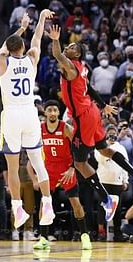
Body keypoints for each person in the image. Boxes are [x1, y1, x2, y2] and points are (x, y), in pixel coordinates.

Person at [46, 24, 133, 224]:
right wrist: (103, 106)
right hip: (91, 112)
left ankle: (106, 199)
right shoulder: (83, 68)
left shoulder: (72, 66)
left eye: (73, 47)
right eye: (70, 45)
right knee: (104, 150)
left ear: (77, 54)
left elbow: (57, 55)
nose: (70, 47)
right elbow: (90, 89)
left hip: (83, 117)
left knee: (79, 162)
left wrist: (55, 39)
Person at [0, 11, 56, 231]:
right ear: (22, 46)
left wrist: (21, 28)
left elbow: (4, 47)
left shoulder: (2, 60)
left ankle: (17, 208)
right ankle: (47, 203)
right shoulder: (32, 58)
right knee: (39, 163)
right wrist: (40, 19)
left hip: (11, 114)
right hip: (30, 114)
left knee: (13, 168)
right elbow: (38, 37)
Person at [34, 100, 92, 250]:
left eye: (55, 110)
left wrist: (73, 168)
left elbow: (80, 148)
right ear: (45, 112)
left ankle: (85, 236)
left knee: (75, 203)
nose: (52, 113)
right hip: (48, 170)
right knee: (44, 203)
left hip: (66, 169)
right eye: (50, 110)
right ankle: (44, 238)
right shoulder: (39, 129)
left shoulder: (66, 128)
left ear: (59, 113)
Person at [95, 125, 129, 243]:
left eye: (114, 133)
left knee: (117, 209)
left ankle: (118, 233)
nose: (112, 135)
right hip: (103, 181)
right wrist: (107, 146)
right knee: (102, 208)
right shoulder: (99, 147)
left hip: (117, 182)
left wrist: (125, 180)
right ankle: (101, 232)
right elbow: (100, 159)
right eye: (109, 133)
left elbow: (126, 165)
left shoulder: (121, 148)